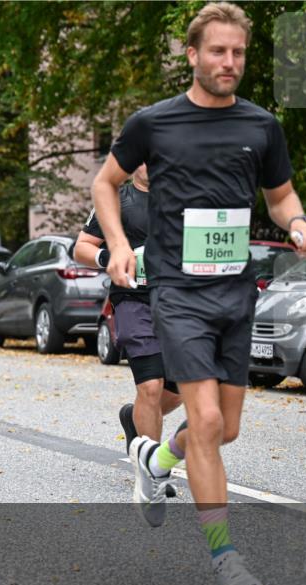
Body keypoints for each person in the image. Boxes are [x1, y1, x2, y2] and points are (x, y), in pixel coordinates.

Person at [91, 2, 306, 585]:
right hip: (178, 294)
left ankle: (155, 459)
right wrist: (119, 244)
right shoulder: (154, 123)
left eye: (238, 52)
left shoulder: (261, 126)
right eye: (218, 51)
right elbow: (104, 183)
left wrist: (297, 222)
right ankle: (227, 562)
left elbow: (280, 195)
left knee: (227, 428)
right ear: (192, 54)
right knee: (210, 422)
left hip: (235, 294)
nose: (229, 62)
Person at [74, 166, 185, 452]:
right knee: (150, 386)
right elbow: (82, 247)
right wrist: (109, 256)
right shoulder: (116, 200)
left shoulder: (183, 198)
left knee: (177, 391)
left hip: (177, 304)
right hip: (132, 299)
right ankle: (151, 466)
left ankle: (135, 418)